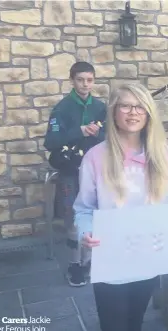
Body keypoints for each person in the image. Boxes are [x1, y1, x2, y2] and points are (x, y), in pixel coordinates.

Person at [73, 83, 168, 331]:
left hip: (145, 260)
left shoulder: (159, 154)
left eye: (139, 106)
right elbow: (83, 209)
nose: (133, 112)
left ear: (148, 113)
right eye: (125, 106)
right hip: (110, 264)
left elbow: (166, 203)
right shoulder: (95, 157)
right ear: (113, 111)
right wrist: (85, 232)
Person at [44, 61, 106, 287]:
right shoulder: (61, 108)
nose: (85, 85)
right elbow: (50, 141)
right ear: (72, 80)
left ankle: (88, 262)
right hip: (70, 170)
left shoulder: (101, 107)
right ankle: (74, 265)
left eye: (89, 80)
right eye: (80, 80)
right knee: (71, 219)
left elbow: (111, 139)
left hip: (96, 170)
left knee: (95, 216)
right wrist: (78, 131)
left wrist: (99, 134)